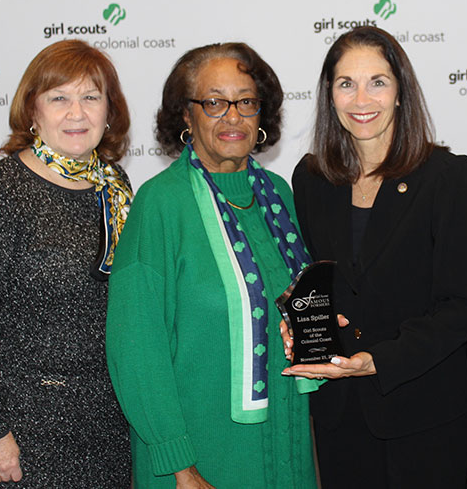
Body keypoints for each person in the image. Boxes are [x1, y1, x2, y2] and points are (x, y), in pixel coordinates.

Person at [105, 42, 319, 489]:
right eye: (214, 102)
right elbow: (136, 349)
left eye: (246, 101)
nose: (233, 116)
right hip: (197, 455)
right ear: (186, 115)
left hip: (285, 439)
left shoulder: (278, 194)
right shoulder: (160, 203)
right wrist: (178, 463)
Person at [282, 26, 467, 487]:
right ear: (329, 95)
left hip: (427, 407)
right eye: (346, 83)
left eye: (377, 81)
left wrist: (378, 359)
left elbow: (465, 305)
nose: (362, 99)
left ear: (400, 93)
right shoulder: (312, 179)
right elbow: (318, 281)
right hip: (340, 410)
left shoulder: (449, 178)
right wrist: (298, 317)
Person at [0, 39, 133, 487]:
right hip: (23, 430)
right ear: (33, 111)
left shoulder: (116, 186)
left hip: (108, 419)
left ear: (110, 111)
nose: (77, 112)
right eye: (59, 98)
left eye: (91, 97)